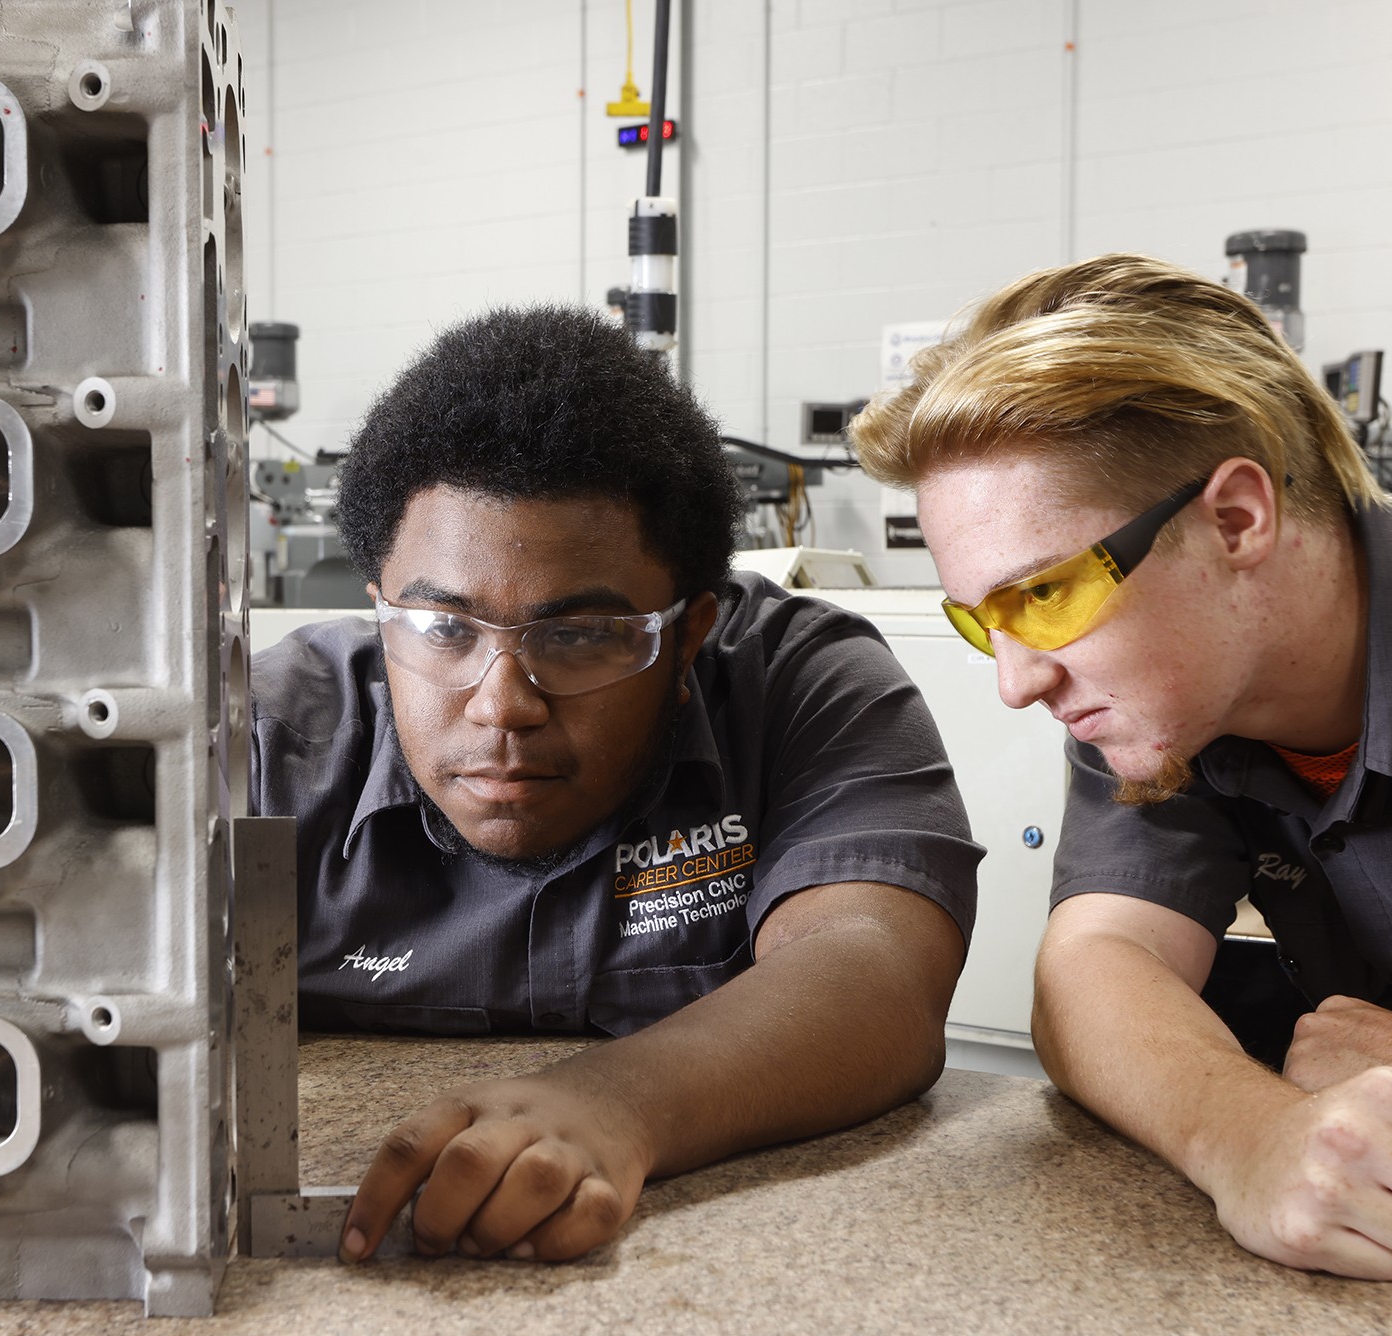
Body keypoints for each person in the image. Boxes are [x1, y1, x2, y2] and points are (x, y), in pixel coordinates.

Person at [850, 252, 1392, 1282]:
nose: (1017, 682)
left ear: (1236, 519)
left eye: (1043, 597)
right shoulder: (1164, 708)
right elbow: (1094, 971)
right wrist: (1251, 1135)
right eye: (982, 619)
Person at [251, 304, 980, 1264]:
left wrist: (614, 1104)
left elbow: (876, 976)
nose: (502, 704)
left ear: (688, 636)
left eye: (581, 635)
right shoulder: (267, 744)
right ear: (380, 606)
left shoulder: (800, 687)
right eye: (442, 630)